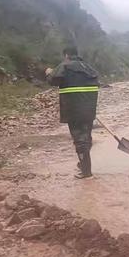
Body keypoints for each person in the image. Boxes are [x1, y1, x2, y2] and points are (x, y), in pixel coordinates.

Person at [46, 47, 99, 179]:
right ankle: (83, 164)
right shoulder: (88, 68)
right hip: (89, 110)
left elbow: (53, 80)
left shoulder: (65, 66)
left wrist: (48, 72)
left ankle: (86, 172)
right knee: (86, 137)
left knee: (80, 140)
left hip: (74, 111)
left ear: (66, 55)